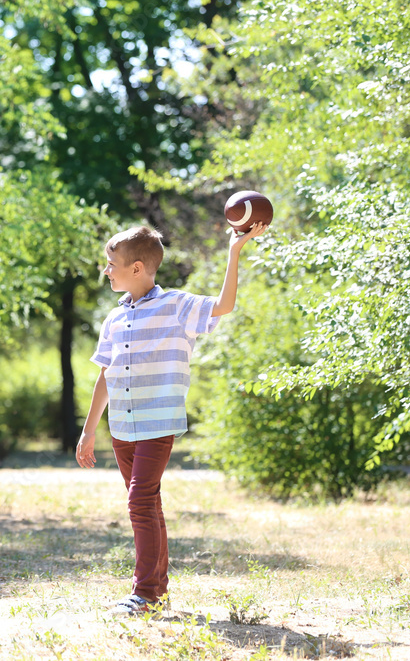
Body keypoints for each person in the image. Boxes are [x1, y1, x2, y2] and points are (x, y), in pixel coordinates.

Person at [75, 222, 266, 616]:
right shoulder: (113, 319)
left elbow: (223, 306)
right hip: (123, 428)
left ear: (138, 268)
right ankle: (156, 594)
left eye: (111, 264)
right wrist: (88, 430)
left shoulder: (177, 305)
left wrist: (234, 252)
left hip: (157, 425)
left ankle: (144, 594)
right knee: (149, 504)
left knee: (140, 502)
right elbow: (104, 376)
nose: (106, 270)